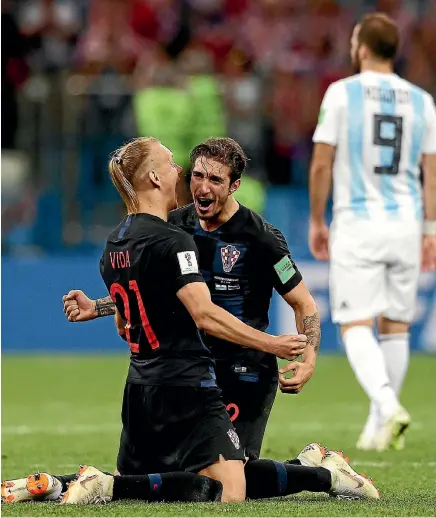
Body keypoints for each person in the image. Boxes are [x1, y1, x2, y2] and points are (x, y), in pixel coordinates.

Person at [308, 12, 436, 452]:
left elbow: (322, 161)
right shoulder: (422, 100)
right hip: (406, 221)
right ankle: (380, 424)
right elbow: (431, 171)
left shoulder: (342, 94)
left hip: (359, 221)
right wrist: (430, 229)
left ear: (361, 47)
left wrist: (316, 219)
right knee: (396, 325)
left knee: (354, 323)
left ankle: (386, 403)